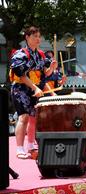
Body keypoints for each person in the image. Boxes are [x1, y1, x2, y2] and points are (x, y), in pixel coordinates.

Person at [10, 26, 57, 159]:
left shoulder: (41, 55)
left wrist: (52, 68)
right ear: (27, 38)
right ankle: (19, 148)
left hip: (35, 88)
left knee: (34, 118)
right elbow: (21, 75)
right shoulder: (20, 54)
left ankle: (30, 145)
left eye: (38, 36)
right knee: (23, 117)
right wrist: (35, 88)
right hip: (21, 88)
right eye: (34, 36)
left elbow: (45, 74)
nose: (37, 39)